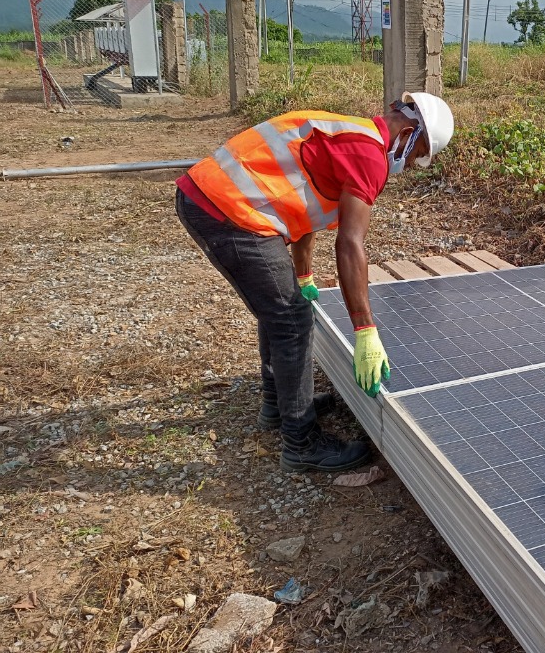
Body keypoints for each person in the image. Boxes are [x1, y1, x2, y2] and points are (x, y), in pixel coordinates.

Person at [175, 92, 454, 473]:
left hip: (216, 200)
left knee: (281, 307)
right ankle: (301, 442)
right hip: (228, 212)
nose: (411, 164)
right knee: (291, 320)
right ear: (407, 132)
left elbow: (302, 212)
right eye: (418, 152)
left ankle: (280, 405)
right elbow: (350, 243)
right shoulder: (369, 156)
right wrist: (365, 330)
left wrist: (303, 275)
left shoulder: (346, 135)